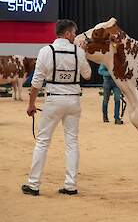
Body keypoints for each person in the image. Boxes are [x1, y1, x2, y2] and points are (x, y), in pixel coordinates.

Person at [21, 19, 92, 196]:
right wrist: (83, 54)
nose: (75, 35)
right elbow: (88, 75)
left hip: (53, 100)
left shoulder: (46, 51)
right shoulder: (78, 52)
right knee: (72, 143)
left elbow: (36, 82)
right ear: (66, 34)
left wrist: (31, 104)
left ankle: (34, 184)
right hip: (73, 100)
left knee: (43, 142)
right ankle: (70, 185)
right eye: (74, 32)